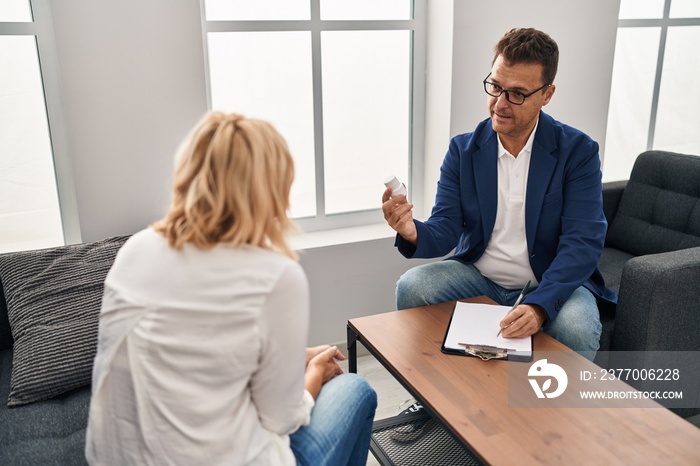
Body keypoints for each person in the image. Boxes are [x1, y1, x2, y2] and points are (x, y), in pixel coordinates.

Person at [86, 111, 377, 465]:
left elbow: (198, 348)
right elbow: (282, 419)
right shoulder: (275, 276)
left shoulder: (136, 249)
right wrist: (315, 371)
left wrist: (293, 358)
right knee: (355, 389)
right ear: (270, 191)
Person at [382, 28, 617, 361]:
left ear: (547, 94)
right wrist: (411, 231)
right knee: (413, 286)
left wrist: (539, 306)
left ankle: (548, 413)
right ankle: (434, 396)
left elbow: (582, 242)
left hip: (548, 281)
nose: (500, 104)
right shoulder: (464, 149)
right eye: (495, 87)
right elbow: (447, 225)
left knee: (576, 330)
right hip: (480, 274)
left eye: (517, 94)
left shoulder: (577, 151)